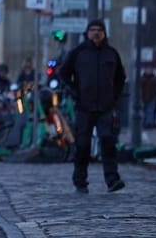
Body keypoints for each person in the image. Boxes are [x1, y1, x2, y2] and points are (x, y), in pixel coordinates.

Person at [55, 19, 127, 193]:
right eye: (93, 30)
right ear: (87, 33)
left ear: (104, 33)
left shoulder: (111, 53)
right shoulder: (78, 53)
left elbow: (120, 77)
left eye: (99, 30)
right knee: (83, 145)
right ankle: (80, 180)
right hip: (84, 107)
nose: (96, 33)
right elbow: (64, 73)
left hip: (105, 108)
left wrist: (114, 97)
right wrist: (74, 91)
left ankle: (112, 180)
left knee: (108, 143)